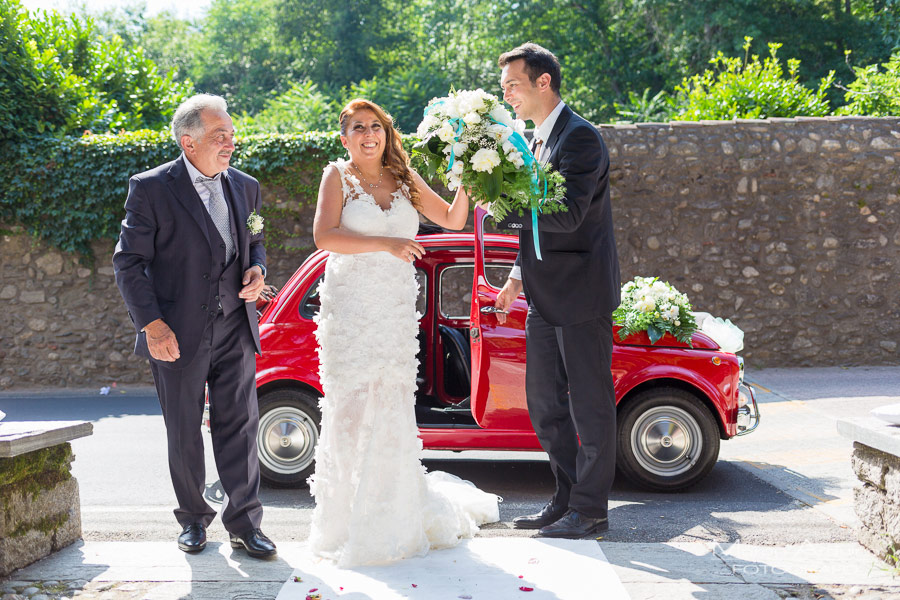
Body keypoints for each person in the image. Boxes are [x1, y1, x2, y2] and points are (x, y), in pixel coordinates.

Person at [309, 98, 499, 567]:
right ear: (344, 137)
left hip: (393, 311)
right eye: (358, 128)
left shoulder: (404, 177)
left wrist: (470, 178)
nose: (368, 134)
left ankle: (394, 514)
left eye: (375, 126)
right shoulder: (338, 176)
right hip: (352, 310)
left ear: (386, 132)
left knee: (391, 405)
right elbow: (324, 237)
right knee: (351, 409)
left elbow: (453, 219)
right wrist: (386, 242)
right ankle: (347, 520)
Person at [112, 94, 276, 559]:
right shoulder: (150, 188)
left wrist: (258, 269)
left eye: (231, 134)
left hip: (236, 328)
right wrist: (153, 326)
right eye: (219, 136)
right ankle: (192, 520)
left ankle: (245, 524)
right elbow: (128, 263)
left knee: (241, 427)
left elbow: (257, 235)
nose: (231, 143)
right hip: (176, 333)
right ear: (188, 142)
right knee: (183, 429)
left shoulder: (247, 187)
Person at [491, 43, 621, 538]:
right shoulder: (538, 140)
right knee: (545, 406)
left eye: (513, 85)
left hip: (582, 294)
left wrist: (505, 200)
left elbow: (566, 217)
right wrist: (515, 278)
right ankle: (566, 498)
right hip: (543, 295)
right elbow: (537, 231)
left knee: (590, 405)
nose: (507, 95)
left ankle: (591, 511)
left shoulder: (581, 138)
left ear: (543, 82)